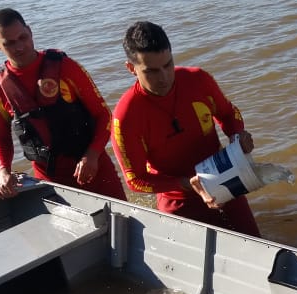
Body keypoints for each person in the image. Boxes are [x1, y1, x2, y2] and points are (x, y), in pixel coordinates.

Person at [111, 21, 261, 237]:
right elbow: (135, 180)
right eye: (151, 71)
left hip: (226, 181)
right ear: (131, 68)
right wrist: (183, 184)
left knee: (256, 246)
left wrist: (237, 136)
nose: (164, 77)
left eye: (168, 65)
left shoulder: (198, 80)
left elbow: (229, 113)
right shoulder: (126, 117)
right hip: (179, 202)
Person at [0, 8, 126, 200]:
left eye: (23, 37)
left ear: (30, 31)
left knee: (123, 224)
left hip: (94, 167)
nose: (19, 47)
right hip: (49, 177)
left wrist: (92, 155)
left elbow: (103, 114)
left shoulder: (66, 68)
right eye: (9, 43)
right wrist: (3, 170)